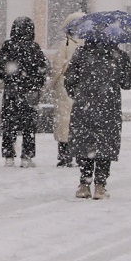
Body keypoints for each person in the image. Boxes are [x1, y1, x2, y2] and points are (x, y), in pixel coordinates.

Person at [64, 35, 131, 199]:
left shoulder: (81, 53)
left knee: (85, 143)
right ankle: (100, 186)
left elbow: (69, 80)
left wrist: (78, 94)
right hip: (108, 107)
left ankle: (84, 184)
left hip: (84, 106)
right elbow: (128, 83)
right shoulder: (117, 55)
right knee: (105, 145)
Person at [0, 16, 49, 168]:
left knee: (9, 125)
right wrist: (36, 85)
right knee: (28, 126)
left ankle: (8, 156)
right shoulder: (34, 47)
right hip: (29, 93)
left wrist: (8, 79)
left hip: (11, 91)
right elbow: (42, 69)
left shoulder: (8, 46)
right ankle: (26, 156)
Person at [49, 12, 86, 167]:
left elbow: (57, 66)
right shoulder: (87, 44)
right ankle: (80, 153)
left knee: (64, 120)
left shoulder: (65, 44)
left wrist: (53, 82)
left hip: (65, 84)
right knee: (80, 120)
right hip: (82, 85)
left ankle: (64, 155)